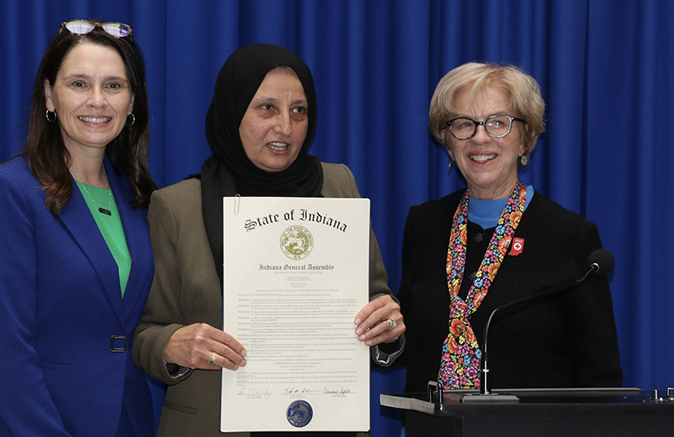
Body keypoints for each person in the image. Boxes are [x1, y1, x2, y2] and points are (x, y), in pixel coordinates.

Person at [132, 43, 405, 437]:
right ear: (231, 112)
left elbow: (376, 301)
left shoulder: (339, 186)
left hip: (326, 423)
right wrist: (170, 346)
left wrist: (386, 329)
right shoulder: (177, 206)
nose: (285, 127)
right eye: (266, 108)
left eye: (299, 110)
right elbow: (145, 332)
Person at [0, 19, 157, 436]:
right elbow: (3, 350)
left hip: (127, 421)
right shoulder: (8, 191)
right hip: (36, 425)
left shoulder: (138, 199)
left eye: (113, 86)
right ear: (50, 95)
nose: (97, 101)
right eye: (79, 84)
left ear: (132, 101)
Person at [398, 62, 623, 397]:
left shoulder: (569, 236)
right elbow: (410, 340)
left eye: (498, 123)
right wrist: (386, 332)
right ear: (446, 141)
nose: (480, 137)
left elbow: (600, 382)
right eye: (463, 124)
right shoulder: (425, 224)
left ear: (526, 138)